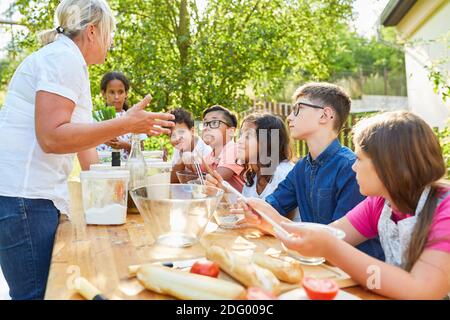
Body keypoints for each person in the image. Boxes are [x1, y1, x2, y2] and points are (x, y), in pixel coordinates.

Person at [0, 0, 174, 300]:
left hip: (29, 199)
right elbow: (51, 138)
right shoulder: (63, 59)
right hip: (24, 200)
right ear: (92, 32)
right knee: (38, 294)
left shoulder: (68, 62)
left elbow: (87, 151)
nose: (112, 41)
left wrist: (127, 194)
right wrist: (126, 125)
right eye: (110, 33)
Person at [271, 111, 450, 299]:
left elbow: (420, 290)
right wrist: (269, 220)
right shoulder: (380, 203)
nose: (353, 166)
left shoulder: (445, 208)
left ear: (388, 165)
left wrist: (330, 247)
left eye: (359, 159)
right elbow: (324, 236)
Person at [242, 82, 384, 259]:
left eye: (298, 109)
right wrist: (250, 209)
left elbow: (337, 240)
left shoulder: (350, 168)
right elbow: (272, 206)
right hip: (314, 261)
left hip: (352, 274)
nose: (289, 118)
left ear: (325, 115)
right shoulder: (301, 168)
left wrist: (272, 218)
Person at [206, 113, 300, 221]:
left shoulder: (284, 173)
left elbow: (281, 222)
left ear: (267, 142)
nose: (239, 141)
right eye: (241, 135)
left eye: (248, 136)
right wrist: (222, 190)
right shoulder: (253, 177)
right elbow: (243, 212)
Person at [96, 71, 147, 159]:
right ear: (104, 93)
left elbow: (141, 150)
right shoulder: (95, 118)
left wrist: (125, 145)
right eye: (112, 92)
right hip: (102, 170)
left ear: (126, 93)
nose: (116, 97)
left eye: (120, 92)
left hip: (127, 170)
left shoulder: (134, 118)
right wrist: (101, 138)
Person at [200, 105, 244, 192]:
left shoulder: (235, 149)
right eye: (205, 124)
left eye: (214, 123)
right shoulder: (209, 156)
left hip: (243, 204)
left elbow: (215, 182)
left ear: (231, 131)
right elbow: (197, 178)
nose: (206, 128)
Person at [168, 108, 212, 183]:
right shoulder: (178, 148)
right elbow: (172, 181)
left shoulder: (206, 151)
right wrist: (182, 160)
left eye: (181, 132)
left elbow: (207, 182)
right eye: (172, 135)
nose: (177, 138)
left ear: (192, 131)